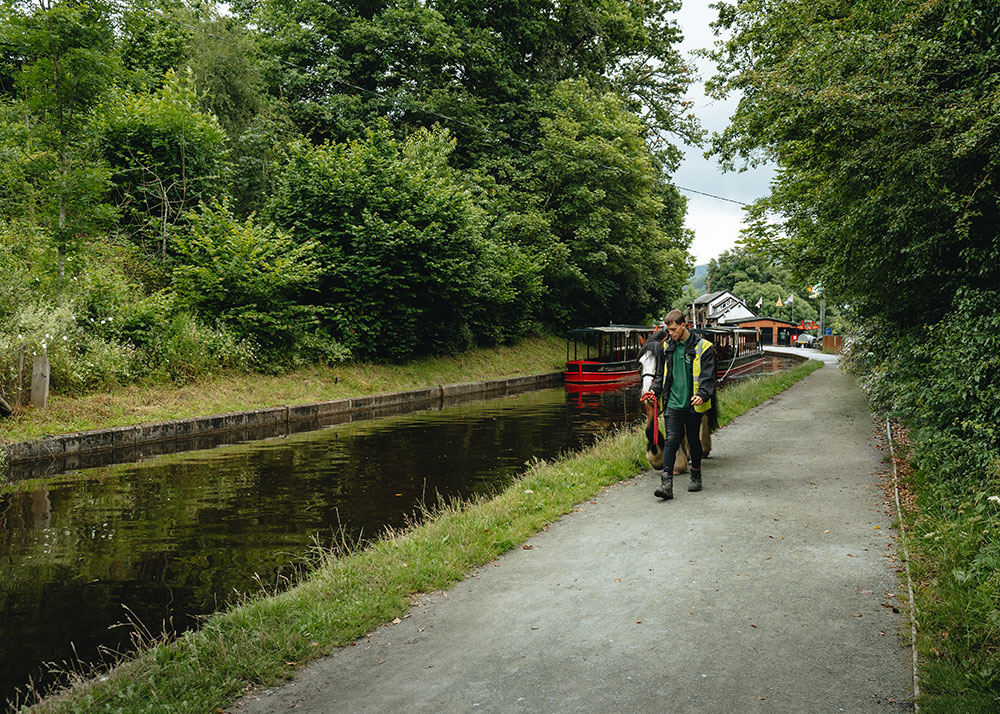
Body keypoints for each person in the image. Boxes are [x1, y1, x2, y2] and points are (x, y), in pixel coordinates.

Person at [642, 309, 716, 500]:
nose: (671, 333)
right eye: (669, 330)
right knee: (672, 440)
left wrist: (702, 394)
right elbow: (661, 376)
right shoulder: (667, 346)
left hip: (692, 403)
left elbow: (708, 377)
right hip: (673, 402)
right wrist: (654, 391)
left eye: (674, 329)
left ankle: (696, 475)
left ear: (684, 325)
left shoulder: (704, 347)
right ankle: (666, 483)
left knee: (693, 439)